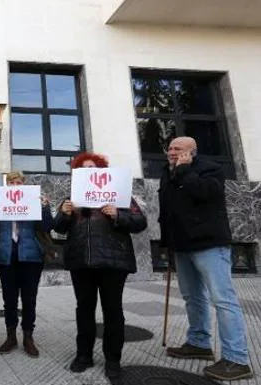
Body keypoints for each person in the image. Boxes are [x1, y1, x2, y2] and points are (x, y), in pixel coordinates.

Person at [159, 136, 253, 381]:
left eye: (178, 149)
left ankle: (237, 359)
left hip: (209, 244)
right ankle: (199, 343)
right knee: (193, 298)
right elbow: (166, 212)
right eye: (169, 148)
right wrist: (167, 244)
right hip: (181, 246)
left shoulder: (210, 169)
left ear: (192, 151)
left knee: (223, 299)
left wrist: (185, 170)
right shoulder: (166, 173)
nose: (172, 152)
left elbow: (204, 193)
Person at [52, 152, 147, 380]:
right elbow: (58, 227)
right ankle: (83, 355)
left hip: (113, 262)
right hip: (81, 261)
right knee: (84, 310)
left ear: (102, 171)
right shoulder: (72, 198)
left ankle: (113, 359)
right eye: (83, 169)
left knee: (113, 311)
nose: (89, 172)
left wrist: (118, 215)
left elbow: (140, 222)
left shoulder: (120, 195)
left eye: (93, 168)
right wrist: (65, 215)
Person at [0, 171, 54, 358]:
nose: (15, 185)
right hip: (6, 257)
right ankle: (11, 336)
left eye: (18, 182)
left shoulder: (33, 202)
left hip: (31, 257)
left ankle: (28, 337)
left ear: (24, 184)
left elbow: (47, 227)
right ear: (8, 185)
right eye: (12, 182)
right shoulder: (2, 204)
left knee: (29, 299)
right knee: (9, 299)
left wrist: (45, 208)